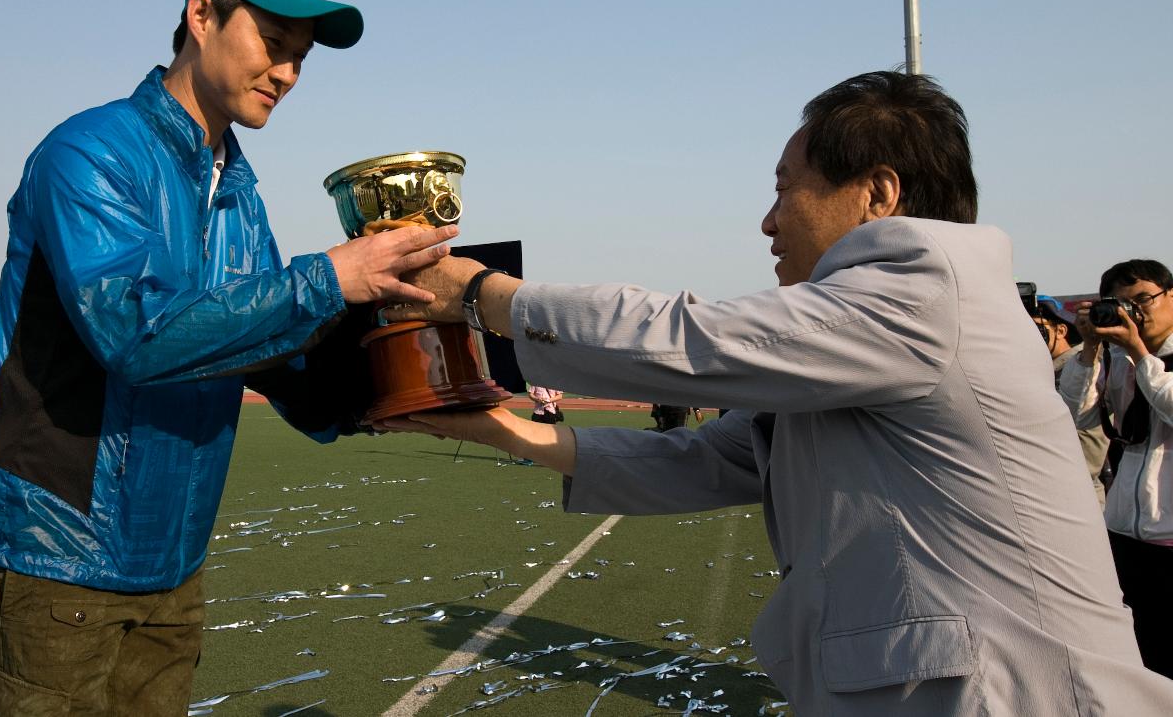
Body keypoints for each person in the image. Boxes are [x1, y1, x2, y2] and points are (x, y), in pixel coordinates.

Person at [384, 72, 1173, 714]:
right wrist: (498, 429)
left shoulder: (925, 288)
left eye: (786, 188)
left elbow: (692, 341)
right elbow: (707, 458)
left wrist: (486, 293)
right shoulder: (864, 339)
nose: (768, 220)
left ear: (878, 195)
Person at [0, 0, 456, 716]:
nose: (288, 73)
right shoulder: (88, 153)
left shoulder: (242, 197)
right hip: (55, 562)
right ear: (201, 16)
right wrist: (327, 276)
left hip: (173, 567)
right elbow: (133, 334)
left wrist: (391, 381)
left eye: (302, 57)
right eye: (274, 42)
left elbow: (270, 354)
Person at [1059, 259, 1173, 678]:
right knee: (1139, 661)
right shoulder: (1117, 359)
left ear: (1171, 296)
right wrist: (1089, 349)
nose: (1133, 313)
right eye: (1121, 304)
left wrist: (1140, 352)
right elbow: (1075, 413)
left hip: (1169, 538)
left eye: (1142, 300)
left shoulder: (1138, 358)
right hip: (1125, 533)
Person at [1032, 295, 1108, 506]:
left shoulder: (1086, 367)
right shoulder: (1037, 371)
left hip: (1079, 490)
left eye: (1036, 327)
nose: (1028, 335)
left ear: (1061, 330)